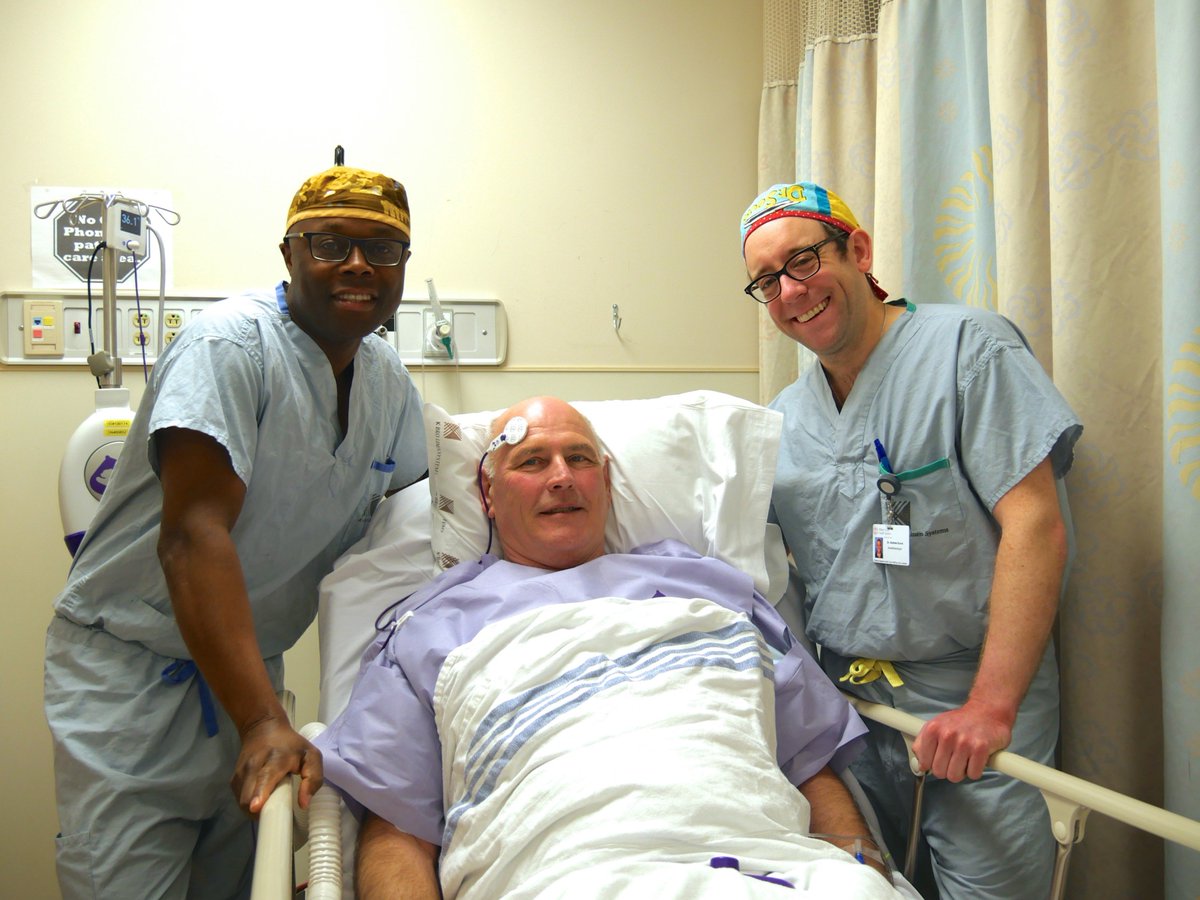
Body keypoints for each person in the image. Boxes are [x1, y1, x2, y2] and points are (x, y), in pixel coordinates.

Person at [315, 396, 908, 900]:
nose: (562, 477)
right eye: (532, 461)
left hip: (772, 869)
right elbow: (398, 826)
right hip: (568, 875)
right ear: (488, 494)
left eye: (579, 458)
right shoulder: (431, 626)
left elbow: (808, 763)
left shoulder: (709, 587)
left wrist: (864, 870)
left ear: (605, 482)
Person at [43, 164, 428, 899]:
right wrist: (261, 721)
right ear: (289, 254)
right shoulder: (228, 349)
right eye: (330, 244)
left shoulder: (388, 383)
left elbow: (407, 537)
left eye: (382, 249)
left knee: (232, 881)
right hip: (133, 679)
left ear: (403, 267)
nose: (358, 265)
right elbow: (192, 535)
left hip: (248, 671)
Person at [740, 181, 1083, 898]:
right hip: (849, 712)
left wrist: (990, 707)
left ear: (859, 251)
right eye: (768, 281)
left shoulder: (968, 349)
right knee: (870, 886)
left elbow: (1035, 525)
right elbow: (752, 563)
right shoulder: (783, 419)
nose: (791, 291)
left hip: (970, 701)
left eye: (803, 261)